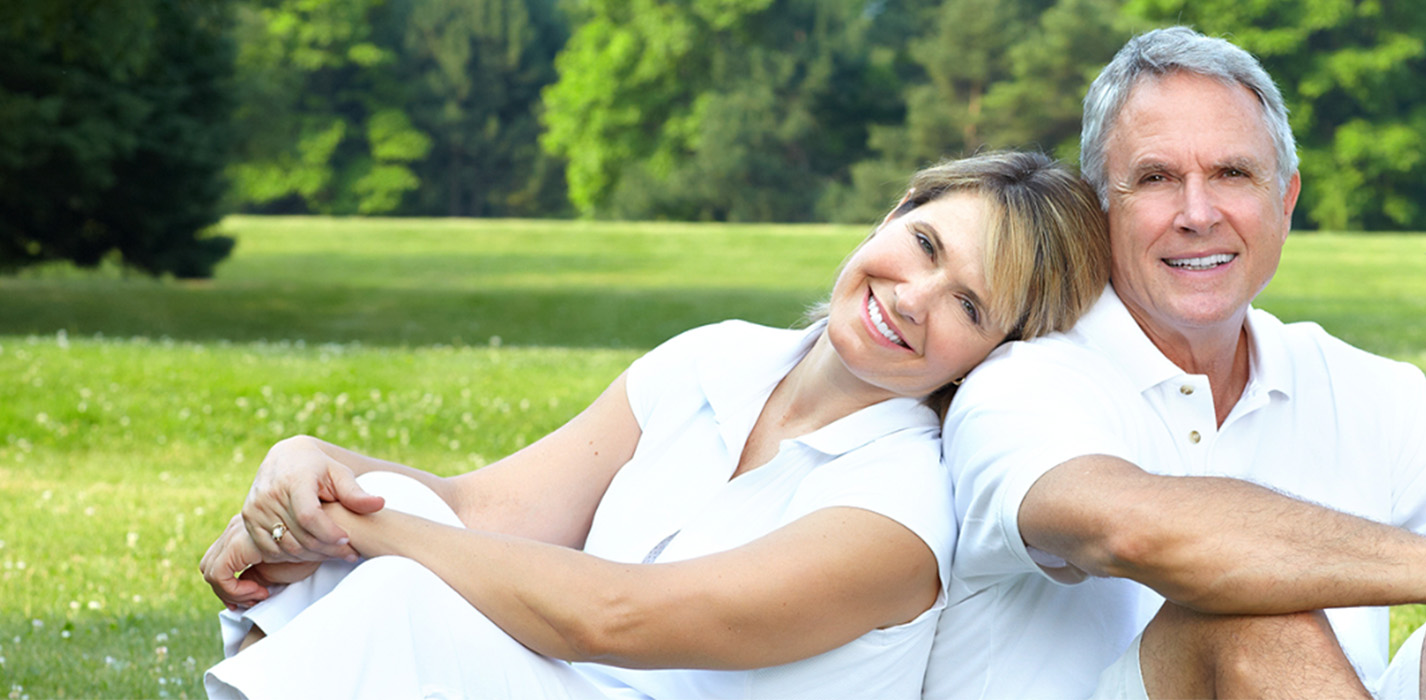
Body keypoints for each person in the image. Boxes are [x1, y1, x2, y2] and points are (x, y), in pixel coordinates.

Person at [922, 28, 1426, 700]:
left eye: (1232, 174)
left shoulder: (1335, 376)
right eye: (1155, 179)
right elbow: (1141, 533)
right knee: (1250, 615)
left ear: (1285, 200)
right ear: (1100, 208)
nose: (1197, 212)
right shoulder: (1027, 383)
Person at [196, 150, 1111, 699]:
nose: (910, 298)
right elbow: (480, 512)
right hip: (567, 686)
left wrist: (364, 532)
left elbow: (618, 617)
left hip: (592, 671)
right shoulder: (716, 359)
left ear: (993, 353)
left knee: (393, 572)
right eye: (922, 245)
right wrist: (306, 472)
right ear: (894, 213)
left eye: (967, 304)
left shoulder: (904, 506)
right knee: (386, 508)